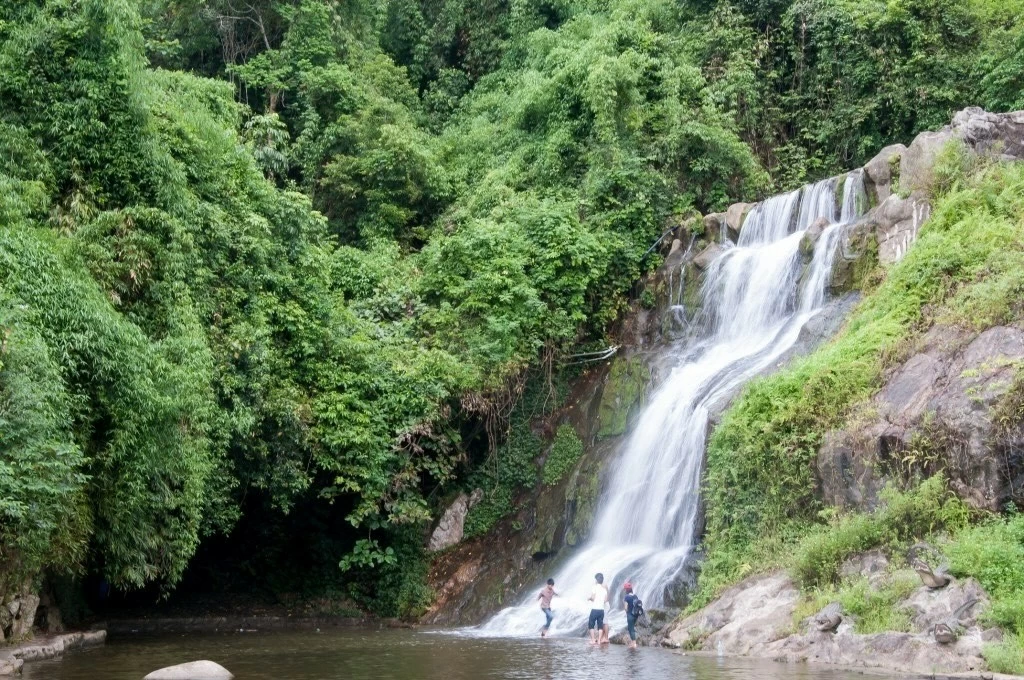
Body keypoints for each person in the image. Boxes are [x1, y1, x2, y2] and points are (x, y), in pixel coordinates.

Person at [587, 572, 609, 645]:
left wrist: (589, 598)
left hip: (595, 609)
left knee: (591, 624)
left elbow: (593, 598)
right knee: (600, 625)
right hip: (601, 610)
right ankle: (599, 640)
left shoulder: (594, 587)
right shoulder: (604, 589)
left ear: (596, 580)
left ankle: (593, 640)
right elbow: (606, 600)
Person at [623, 581, 639, 649]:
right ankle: (633, 643)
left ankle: (634, 644)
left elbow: (626, 607)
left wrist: (626, 612)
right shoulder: (635, 596)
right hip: (636, 614)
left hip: (630, 614)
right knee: (631, 628)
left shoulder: (626, 597)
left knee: (631, 629)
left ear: (626, 590)